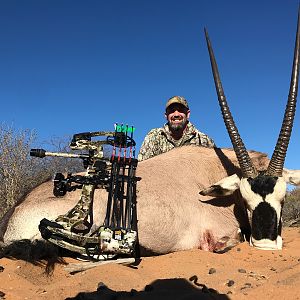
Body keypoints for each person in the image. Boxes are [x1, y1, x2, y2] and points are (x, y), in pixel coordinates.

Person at [138, 96, 215, 161]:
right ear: (166, 115)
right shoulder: (154, 136)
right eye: (172, 111)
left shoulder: (204, 140)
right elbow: (143, 166)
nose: (176, 114)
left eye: (181, 110)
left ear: (188, 114)